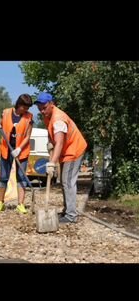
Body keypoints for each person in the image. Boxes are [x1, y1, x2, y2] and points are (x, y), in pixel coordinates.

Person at [34, 92, 87, 224]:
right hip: (65, 151)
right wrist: (50, 146)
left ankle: (71, 215)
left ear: (52, 104)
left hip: (73, 150)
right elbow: (53, 140)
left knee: (67, 181)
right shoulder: (47, 115)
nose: (41, 110)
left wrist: (52, 163)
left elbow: (60, 143)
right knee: (64, 181)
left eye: (44, 107)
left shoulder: (58, 119)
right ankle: (67, 210)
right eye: (39, 107)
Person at [0, 94, 34, 214]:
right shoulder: (6, 112)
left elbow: (27, 136)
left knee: (21, 178)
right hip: (6, 149)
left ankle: (20, 204)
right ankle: (0, 203)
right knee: (3, 177)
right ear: (19, 105)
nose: (26, 110)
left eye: (27, 108)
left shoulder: (29, 117)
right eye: (24, 107)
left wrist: (19, 149)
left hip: (21, 151)